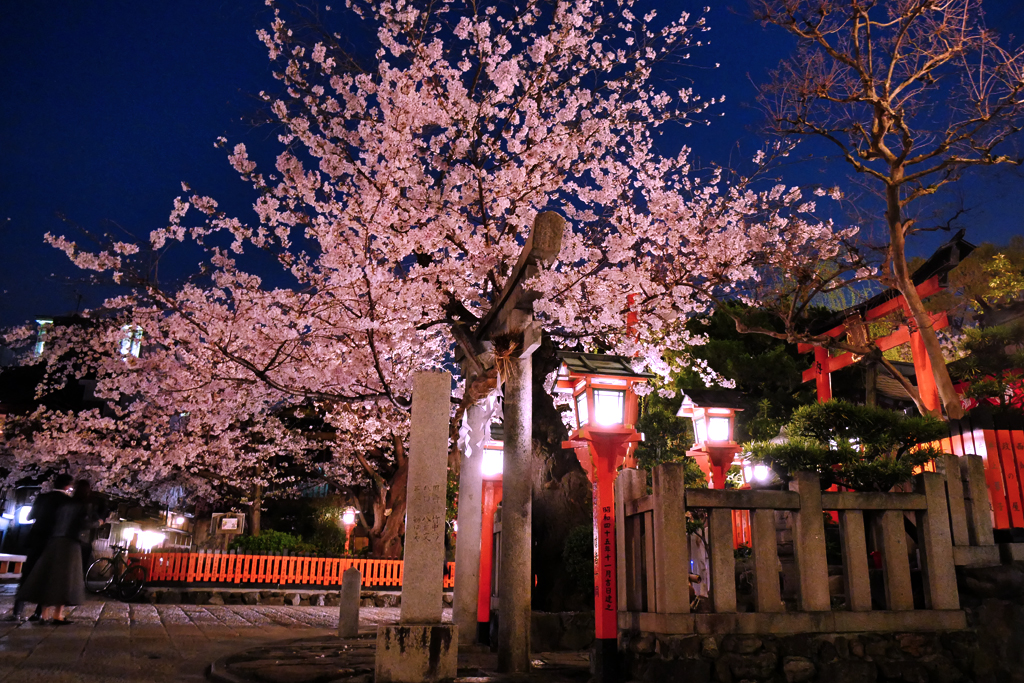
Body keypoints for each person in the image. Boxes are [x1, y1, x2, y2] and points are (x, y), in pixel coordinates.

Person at [17, 479, 100, 625]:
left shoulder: (63, 503)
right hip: (70, 543)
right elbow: (84, 523)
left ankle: (41, 614)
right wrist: (99, 522)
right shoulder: (83, 505)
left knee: (47, 576)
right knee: (65, 580)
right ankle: (57, 615)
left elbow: (45, 519)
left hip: (53, 541)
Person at [6, 473, 74, 622]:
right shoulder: (68, 502)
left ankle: (17, 611)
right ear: (68, 486)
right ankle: (39, 613)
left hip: (36, 540)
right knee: (47, 576)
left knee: (28, 574)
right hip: (54, 543)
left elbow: (30, 517)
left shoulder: (43, 498)